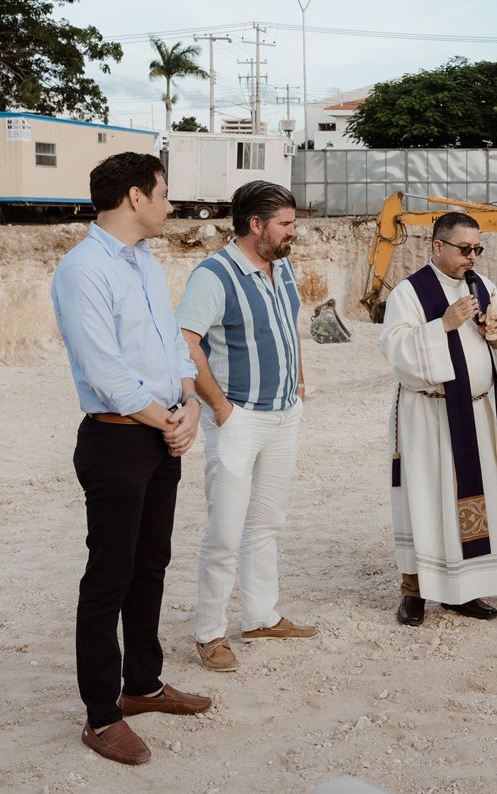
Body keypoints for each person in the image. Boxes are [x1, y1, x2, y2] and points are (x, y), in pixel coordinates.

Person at [50, 152, 212, 767]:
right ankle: (101, 716)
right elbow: (104, 368)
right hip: (117, 438)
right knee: (108, 579)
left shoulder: (144, 260)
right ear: (136, 198)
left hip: (159, 431)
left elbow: (170, 343)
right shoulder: (82, 269)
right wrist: (163, 418)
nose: (172, 205)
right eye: (165, 193)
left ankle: (143, 685)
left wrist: (189, 404)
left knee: (152, 565)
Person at [177, 180, 316, 673]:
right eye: (285, 224)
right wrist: (219, 407)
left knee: (267, 522)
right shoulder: (214, 275)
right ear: (255, 225)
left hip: (283, 415)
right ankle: (209, 632)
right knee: (225, 530)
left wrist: (298, 378)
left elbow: (289, 323)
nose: (293, 232)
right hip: (237, 417)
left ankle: (260, 616)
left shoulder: (283, 267)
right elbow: (186, 343)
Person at [380, 212, 497, 626]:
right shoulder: (409, 292)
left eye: (478, 248)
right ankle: (415, 591)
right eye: (464, 249)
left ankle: (464, 590)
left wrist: (496, 334)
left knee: (470, 500)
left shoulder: (483, 285)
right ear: (438, 246)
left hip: (474, 411)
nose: (472, 257)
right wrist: (443, 325)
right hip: (428, 411)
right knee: (425, 498)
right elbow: (395, 349)